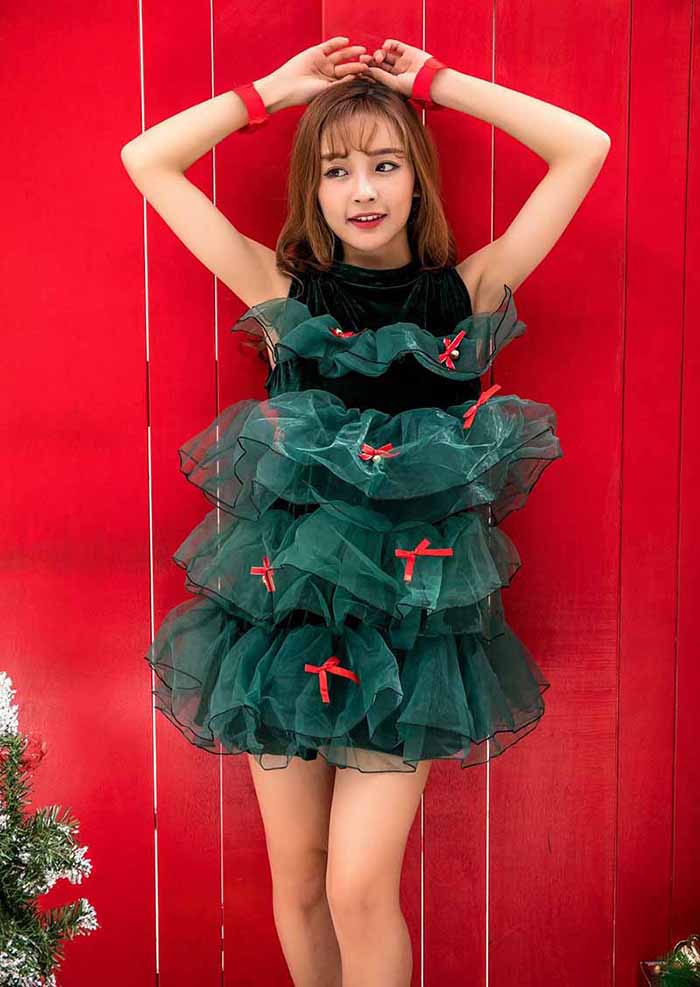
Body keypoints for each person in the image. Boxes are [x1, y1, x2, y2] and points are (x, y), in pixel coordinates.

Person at [121, 36, 610, 987]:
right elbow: (148, 159)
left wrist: (435, 84)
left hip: (415, 624)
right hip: (283, 616)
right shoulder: (282, 291)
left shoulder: (467, 292)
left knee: (356, 887)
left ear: (417, 177)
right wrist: (272, 92)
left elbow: (583, 147)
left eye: (385, 164)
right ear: (314, 189)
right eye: (337, 170)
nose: (363, 190)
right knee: (301, 884)